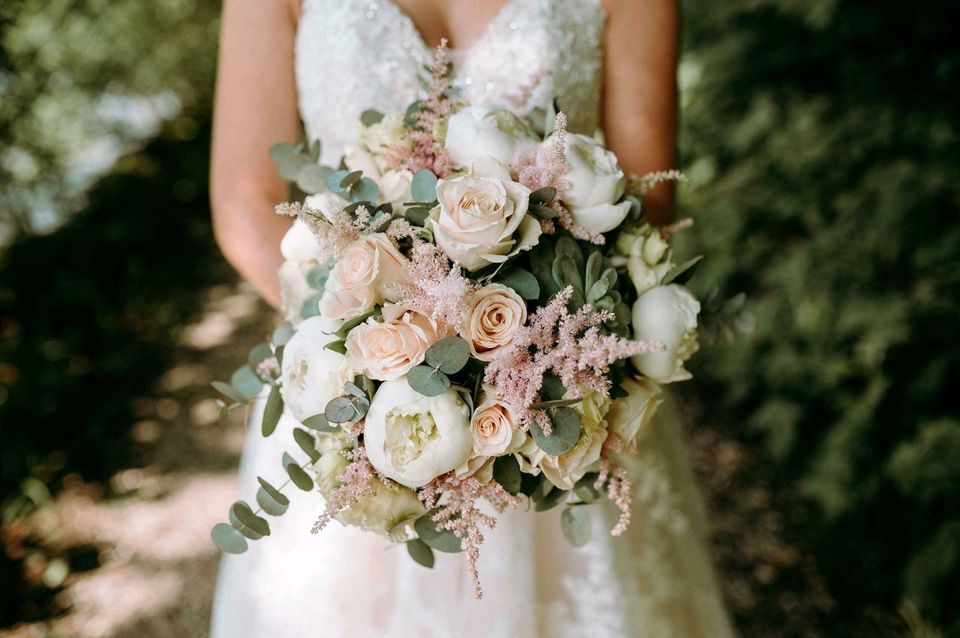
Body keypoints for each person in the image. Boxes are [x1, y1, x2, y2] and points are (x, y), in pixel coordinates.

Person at [209, 1, 735, 636]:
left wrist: (518, 364)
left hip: (563, 394)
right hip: (349, 402)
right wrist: (361, 355)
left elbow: (647, 196)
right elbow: (246, 200)